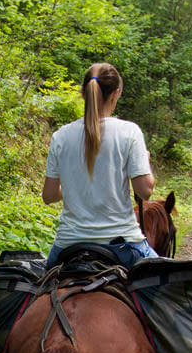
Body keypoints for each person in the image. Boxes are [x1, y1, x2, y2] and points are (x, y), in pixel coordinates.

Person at [43, 62, 157, 270]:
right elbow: (145, 191)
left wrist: (72, 186)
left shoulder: (60, 136)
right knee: (168, 290)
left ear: (83, 94)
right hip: (123, 246)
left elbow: (49, 196)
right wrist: (146, 164)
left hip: (68, 245)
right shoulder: (129, 132)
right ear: (115, 94)